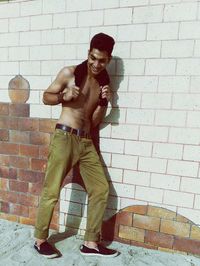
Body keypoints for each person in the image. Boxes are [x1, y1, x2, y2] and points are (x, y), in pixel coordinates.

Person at [33, 33, 118, 258]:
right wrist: (63, 95)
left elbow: (95, 120)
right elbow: (45, 97)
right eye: (93, 57)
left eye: (102, 60)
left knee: (100, 189)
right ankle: (40, 239)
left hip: (87, 141)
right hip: (64, 137)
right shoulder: (69, 73)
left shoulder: (103, 82)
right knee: (52, 189)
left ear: (108, 59)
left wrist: (104, 102)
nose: (96, 64)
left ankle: (91, 243)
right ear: (88, 53)